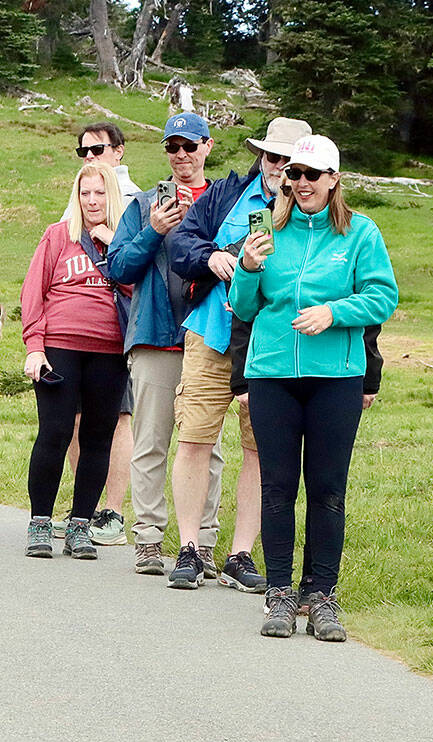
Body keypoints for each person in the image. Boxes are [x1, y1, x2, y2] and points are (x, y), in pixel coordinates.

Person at [230, 134, 398, 642]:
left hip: (336, 378)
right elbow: (243, 306)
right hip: (273, 374)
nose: (300, 183)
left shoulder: (360, 233)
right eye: (292, 174)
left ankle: (321, 594)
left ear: (333, 180)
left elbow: (383, 296)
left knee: (327, 489)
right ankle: (279, 592)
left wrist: (335, 312)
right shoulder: (266, 230)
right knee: (278, 487)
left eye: (311, 175)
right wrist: (248, 267)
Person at [165, 117, 312, 591]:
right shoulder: (227, 192)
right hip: (210, 333)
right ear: (261, 157)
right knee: (194, 438)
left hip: (269, 344)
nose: (280, 169)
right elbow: (180, 243)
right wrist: (213, 257)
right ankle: (189, 548)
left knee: (259, 448)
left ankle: (241, 554)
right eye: (272, 157)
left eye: (291, 162)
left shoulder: (311, 211)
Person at [107, 113, 224, 576]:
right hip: (156, 335)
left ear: (207, 147)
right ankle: (149, 540)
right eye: (172, 147)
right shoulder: (142, 205)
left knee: (206, 445)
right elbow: (116, 269)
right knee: (151, 442)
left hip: (209, 336)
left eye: (189, 145)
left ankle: (205, 544)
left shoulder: (223, 201)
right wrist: (153, 230)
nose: (181, 155)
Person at [20, 164, 129, 560]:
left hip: (109, 350)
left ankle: (81, 523)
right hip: (60, 345)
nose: (92, 201)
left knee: (98, 437)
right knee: (55, 431)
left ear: (111, 196)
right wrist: (35, 346)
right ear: (76, 196)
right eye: (85, 193)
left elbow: (137, 286)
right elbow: (33, 292)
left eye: (100, 193)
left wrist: (115, 245)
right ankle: (40, 521)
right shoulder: (57, 236)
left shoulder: (125, 241)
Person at [68, 122, 138, 545]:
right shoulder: (76, 195)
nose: (91, 156)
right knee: (75, 418)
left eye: (98, 149)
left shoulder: (135, 199)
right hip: (75, 330)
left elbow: (142, 264)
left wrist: (113, 240)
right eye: (84, 151)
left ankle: (113, 508)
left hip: (119, 324)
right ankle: (86, 505)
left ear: (119, 152)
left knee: (118, 417)